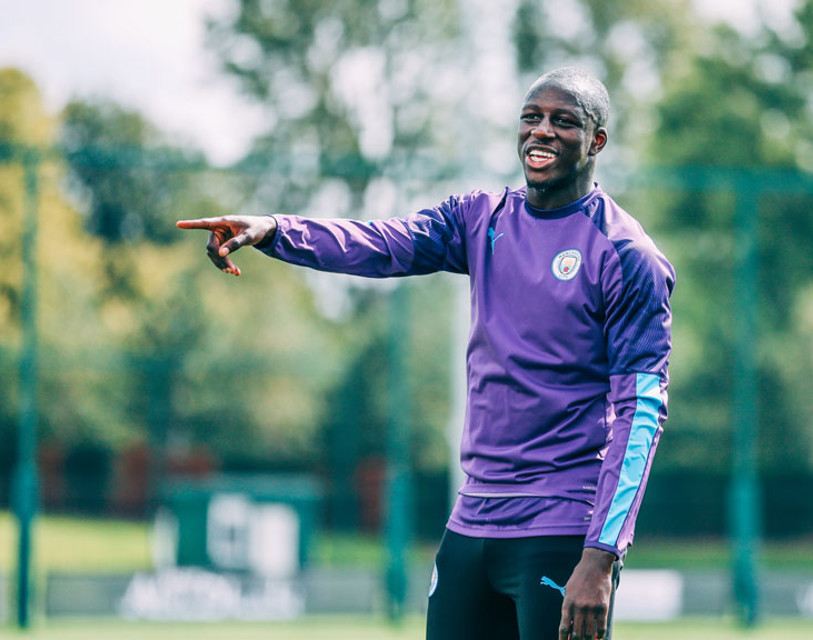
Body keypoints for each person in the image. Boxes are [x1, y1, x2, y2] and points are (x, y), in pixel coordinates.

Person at [178, 66, 674, 640]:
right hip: (473, 520)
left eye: (563, 121)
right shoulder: (482, 217)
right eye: (531, 117)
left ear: (597, 141)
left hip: (562, 525)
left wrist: (602, 555)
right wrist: (273, 229)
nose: (541, 131)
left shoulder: (627, 255)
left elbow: (640, 412)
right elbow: (380, 242)